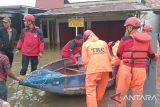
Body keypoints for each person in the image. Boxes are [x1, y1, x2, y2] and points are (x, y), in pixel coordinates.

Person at [114, 17, 158, 107]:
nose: (126, 29)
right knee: (137, 95)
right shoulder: (146, 40)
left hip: (126, 69)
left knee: (121, 93)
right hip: (140, 71)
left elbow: (119, 55)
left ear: (130, 27)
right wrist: (156, 57)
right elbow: (152, 55)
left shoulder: (125, 39)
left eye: (126, 27)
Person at [82, 30, 112, 107]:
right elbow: (109, 57)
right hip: (106, 69)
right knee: (101, 88)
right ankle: (99, 102)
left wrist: (88, 69)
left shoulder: (85, 44)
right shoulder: (103, 42)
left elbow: (85, 60)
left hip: (93, 70)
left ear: (86, 38)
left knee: (90, 90)